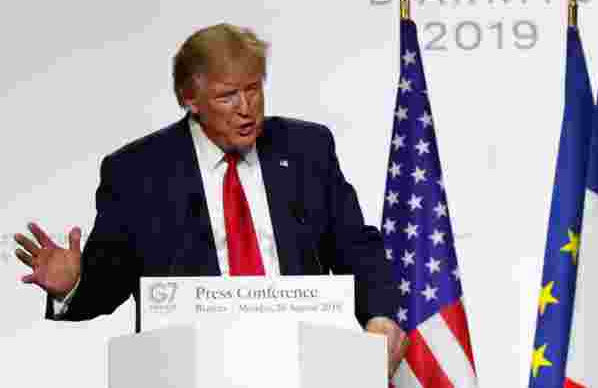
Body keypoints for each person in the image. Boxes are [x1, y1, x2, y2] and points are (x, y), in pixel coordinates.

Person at [15, 23, 407, 376]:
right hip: (191, 371)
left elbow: (355, 246)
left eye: (253, 89)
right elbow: (110, 281)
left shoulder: (307, 148)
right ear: (191, 98)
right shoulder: (138, 172)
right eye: (227, 96)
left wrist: (380, 316)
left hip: (303, 362)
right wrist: (73, 286)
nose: (246, 108)